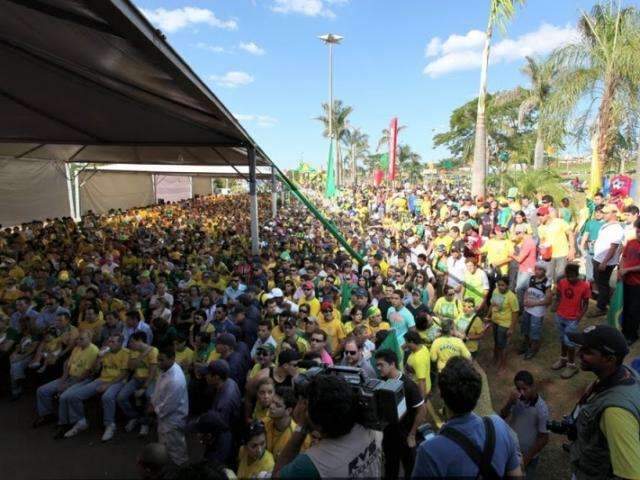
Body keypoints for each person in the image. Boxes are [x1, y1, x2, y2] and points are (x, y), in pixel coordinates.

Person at [412, 357, 522, 478]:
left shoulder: (429, 451)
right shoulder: (499, 426)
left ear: (442, 395)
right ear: (477, 394)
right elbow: (516, 475)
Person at [566, 325, 640, 480]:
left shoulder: (615, 413)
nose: (579, 353)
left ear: (609, 359)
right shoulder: (623, 372)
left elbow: (632, 475)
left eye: (587, 351)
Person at [274, 374, 383, 479]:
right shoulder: (370, 427)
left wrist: (302, 426)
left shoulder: (312, 463)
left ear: (318, 425)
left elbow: (276, 474)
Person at [56, 333, 129, 440]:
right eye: (109, 341)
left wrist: (107, 385)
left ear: (120, 343)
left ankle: (110, 425)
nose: (110, 343)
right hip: (101, 379)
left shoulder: (126, 353)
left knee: (107, 397)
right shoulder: (106, 353)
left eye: (113, 342)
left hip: (118, 381)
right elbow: (95, 370)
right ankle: (80, 421)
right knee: (74, 396)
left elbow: (124, 374)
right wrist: (99, 358)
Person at [375, 348, 425, 479]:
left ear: (392, 364)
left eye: (381, 365)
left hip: (405, 436)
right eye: (377, 365)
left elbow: (422, 410)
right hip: (389, 436)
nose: (378, 368)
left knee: (410, 468)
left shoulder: (408, 385)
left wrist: (412, 434)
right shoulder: (381, 382)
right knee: (391, 468)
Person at [33, 330, 98, 427]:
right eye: (78, 339)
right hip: (69, 377)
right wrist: (62, 381)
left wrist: (67, 385)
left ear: (90, 339)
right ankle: (47, 415)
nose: (78, 341)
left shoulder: (93, 350)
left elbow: (86, 373)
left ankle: (66, 422)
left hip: (82, 380)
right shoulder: (77, 348)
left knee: (64, 396)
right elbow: (68, 366)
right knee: (42, 390)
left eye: (82, 339)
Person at [499, 370, 549, 480]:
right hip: (511, 450)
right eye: (518, 389)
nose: (521, 392)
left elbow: (544, 438)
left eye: (524, 389)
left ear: (533, 387)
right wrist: (509, 403)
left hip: (528, 456)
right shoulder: (516, 400)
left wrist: (526, 459)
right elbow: (502, 416)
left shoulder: (541, 409)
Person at [117, 330, 159, 439]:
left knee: (149, 396)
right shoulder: (134, 351)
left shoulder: (154, 351)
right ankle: (134, 417)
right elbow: (131, 367)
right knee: (121, 397)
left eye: (132, 342)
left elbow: (153, 372)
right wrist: (143, 353)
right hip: (136, 379)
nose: (129, 344)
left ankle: (145, 423)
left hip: (151, 380)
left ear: (139, 340)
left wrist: (144, 388)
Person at [552, 263, 591, 379]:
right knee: (562, 340)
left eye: (573, 276)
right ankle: (563, 359)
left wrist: (579, 317)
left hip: (572, 319)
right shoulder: (562, 282)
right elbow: (558, 296)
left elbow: (586, 304)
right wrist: (555, 306)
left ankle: (571, 365)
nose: (570, 279)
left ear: (577, 275)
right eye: (568, 276)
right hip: (560, 316)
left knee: (570, 343)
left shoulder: (584, 286)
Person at [520, 263, 552, 359]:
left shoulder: (547, 283)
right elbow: (527, 290)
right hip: (528, 308)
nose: (537, 271)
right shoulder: (531, 278)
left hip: (537, 310)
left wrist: (534, 303)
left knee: (535, 330)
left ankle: (533, 348)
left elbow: (548, 300)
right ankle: (526, 344)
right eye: (536, 269)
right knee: (525, 327)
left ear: (544, 271)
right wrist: (525, 300)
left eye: (540, 270)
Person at [488, 276, 519, 373]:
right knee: (496, 341)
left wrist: (511, 328)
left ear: (507, 285)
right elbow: (492, 304)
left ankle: (503, 365)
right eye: (499, 285)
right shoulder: (495, 291)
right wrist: (488, 316)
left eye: (503, 285)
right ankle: (495, 358)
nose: (501, 287)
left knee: (502, 345)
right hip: (495, 321)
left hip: (505, 324)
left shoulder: (512, 297)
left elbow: (515, 313)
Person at [619, 218, 640, 344]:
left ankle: (632, 335)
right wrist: (621, 268)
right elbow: (624, 256)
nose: (638, 234)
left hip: (638, 284)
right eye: (637, 231)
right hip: (626, 282)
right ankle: (624, 330)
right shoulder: (631, 242)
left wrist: (628, 270)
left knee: (634, 310)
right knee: (625, 307)